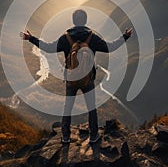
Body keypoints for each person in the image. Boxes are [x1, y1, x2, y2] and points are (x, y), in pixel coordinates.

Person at [21, 9, 133, 144]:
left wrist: (31, 38)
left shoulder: (66, 37)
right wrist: (125, 36)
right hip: (88, 79)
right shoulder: (92, 37)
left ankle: (66, 137)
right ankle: (93, 136)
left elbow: (49, 48)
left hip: (71, 79)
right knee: (91, 107)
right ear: (85, 21)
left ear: (73, 21)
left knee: (68, 107)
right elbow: (110, 47)